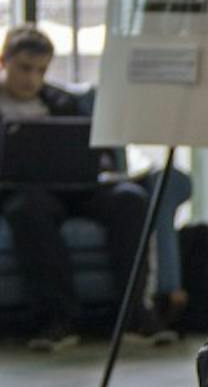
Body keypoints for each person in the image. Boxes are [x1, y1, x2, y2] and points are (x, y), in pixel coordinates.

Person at [0, 24, 175, 351]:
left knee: (130, 199)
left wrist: (103, 164)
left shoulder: (62, 102)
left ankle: (134, 315)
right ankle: (57, 320)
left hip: (79, 187)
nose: (32, 79)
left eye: (41, 70)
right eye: (24, 68)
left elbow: (99, 151)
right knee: (29, 210)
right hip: (24, 192)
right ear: (3, 61)